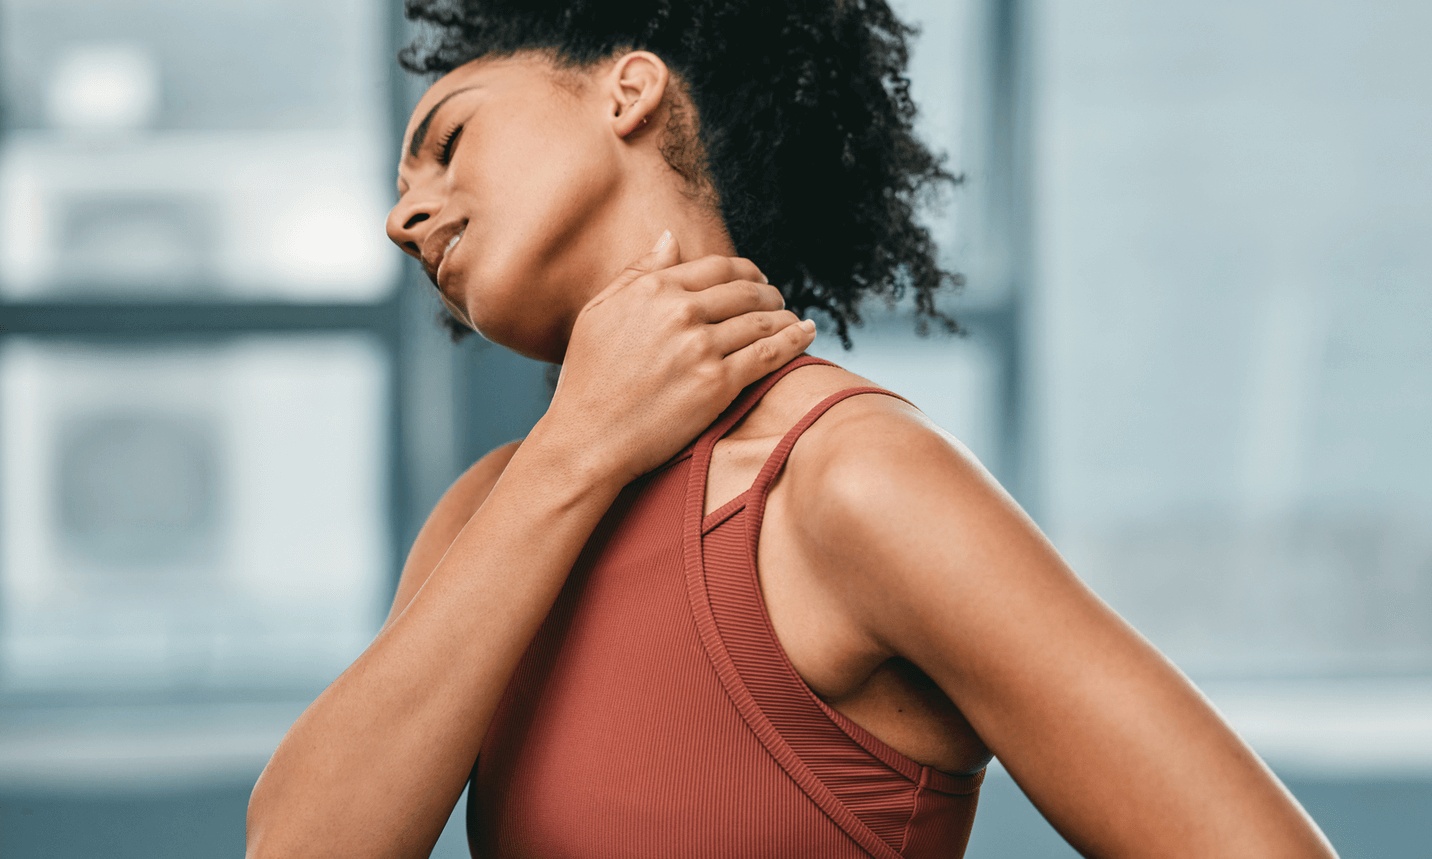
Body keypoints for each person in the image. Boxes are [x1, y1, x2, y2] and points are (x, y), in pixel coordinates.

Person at [246, 2, 1339, 857]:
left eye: (446, 140)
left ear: (626, 90)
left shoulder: (851, 482)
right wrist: (574, 451)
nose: (401, 217)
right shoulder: (493, 510)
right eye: (401, 189)